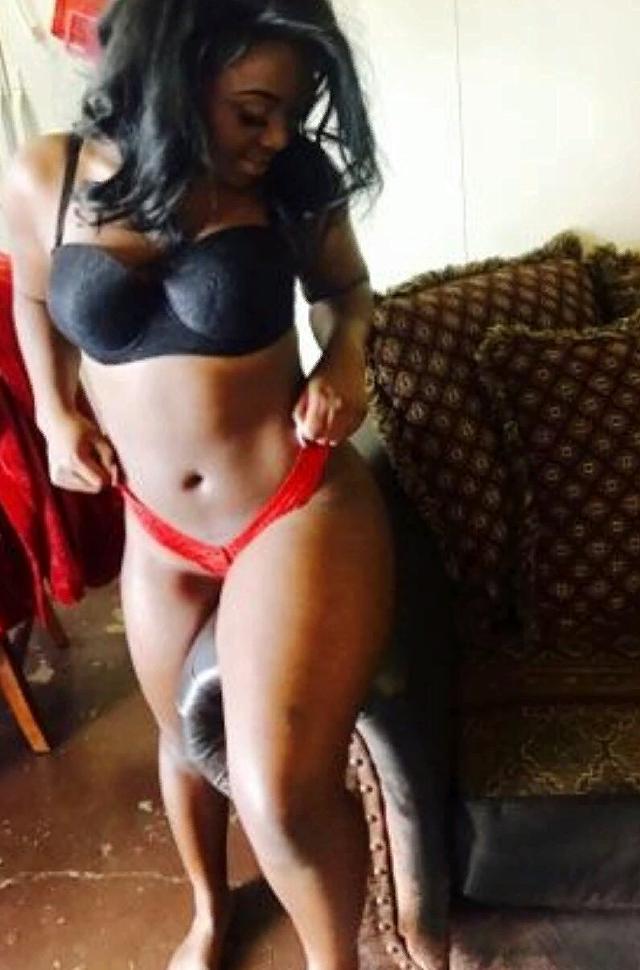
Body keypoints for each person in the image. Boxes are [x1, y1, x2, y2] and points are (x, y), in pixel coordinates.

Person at [2, 0, 394, 967]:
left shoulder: (293, 184)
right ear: (179, 70)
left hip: (290, 506)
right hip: (158, 531)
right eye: (254, 110)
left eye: (292, 112)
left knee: (277, 792)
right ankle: (212, 914)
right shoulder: (48, 176)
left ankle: (334, 963)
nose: (277, 136)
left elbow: (348, 294)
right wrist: (54, 411)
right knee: (180, 742)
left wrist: (345, 362)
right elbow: (34, 293)